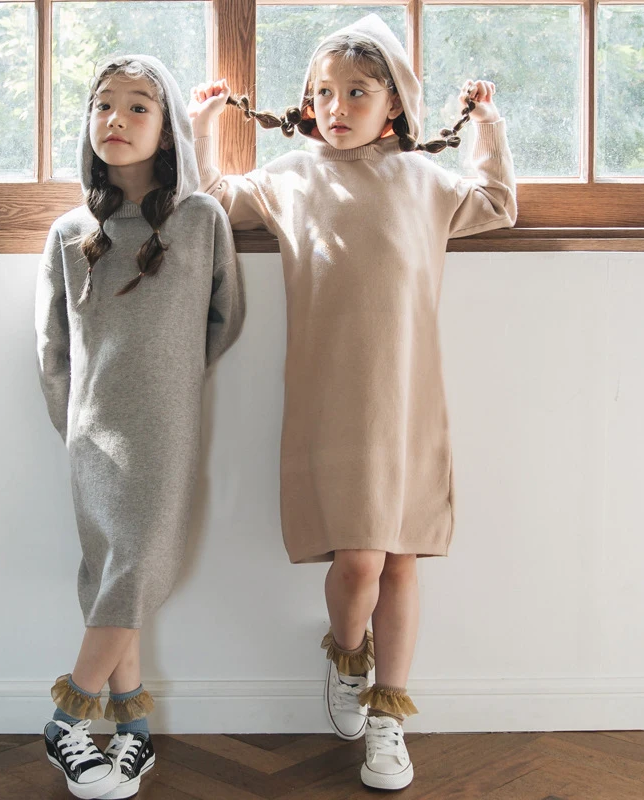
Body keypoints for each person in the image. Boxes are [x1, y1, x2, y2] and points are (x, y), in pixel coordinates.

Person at [188, 14, 516, 791]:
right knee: (359, 557)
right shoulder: (291, 178)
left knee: (401, 559)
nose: (337, 107)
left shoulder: (424, 181)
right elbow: (213, 201)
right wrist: (203, 128)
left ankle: (387, 719)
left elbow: (498, 203)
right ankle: (346, 656)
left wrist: (489, 125)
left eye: (358, 93)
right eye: (325, 93)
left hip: (408, 396)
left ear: (393, 103)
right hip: (331, 397)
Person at [36, 53, 245, 799]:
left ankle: (64, 723)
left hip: (165, 428)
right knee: (111, 577)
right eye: (103, 105)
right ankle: (134, 731)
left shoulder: (201, 220)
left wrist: (167, 384)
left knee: (135, 569)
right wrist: (76, 421)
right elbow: (52, 349)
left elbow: (224, 318)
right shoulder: (70, 232)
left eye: (137, 106)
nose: (115, 119)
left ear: (167, 127)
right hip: (90, 432)